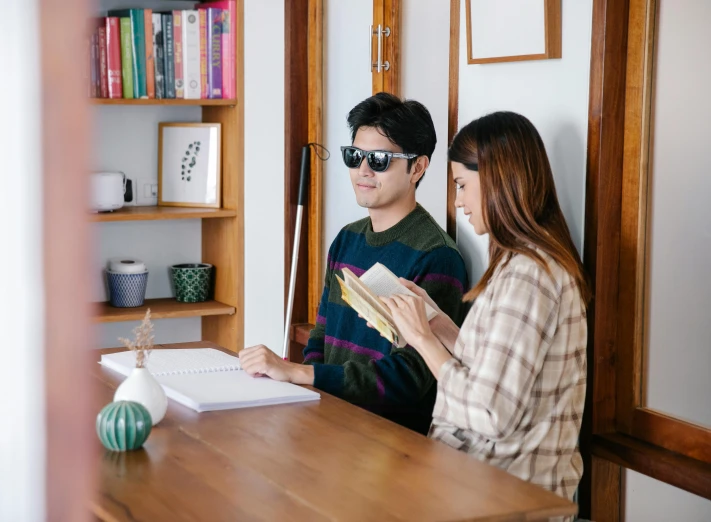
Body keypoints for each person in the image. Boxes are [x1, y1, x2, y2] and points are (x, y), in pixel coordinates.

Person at [379, 111, 589, 500]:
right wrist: (437, 321)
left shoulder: (531, 275)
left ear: (496, 180)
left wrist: (423, 341)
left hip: (504, 495)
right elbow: (496, 370)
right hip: (480, 483)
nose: (457, 202)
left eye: (461, 185)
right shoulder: (519, 262)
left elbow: (491, 412)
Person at [239, 93, 468, 434]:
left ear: (417, 167)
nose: (362, 170)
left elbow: (411, 378)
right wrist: (311, 391)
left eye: (378, 160)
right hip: (331, 422)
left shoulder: (436, 256)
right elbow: (321, 335)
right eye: (354, 156)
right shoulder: (347, 239)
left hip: (392, 441)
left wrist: (302, 374)